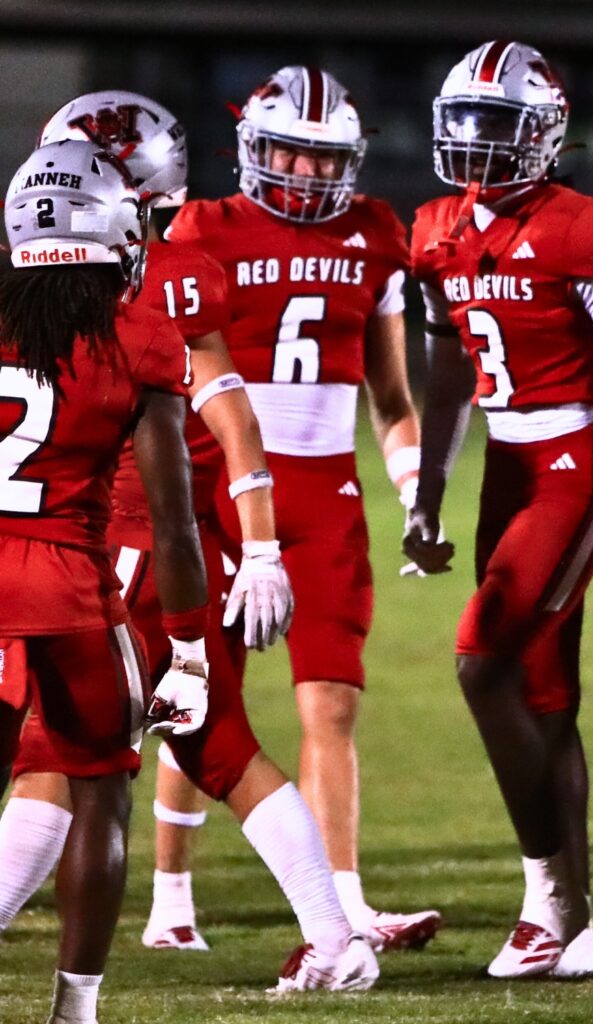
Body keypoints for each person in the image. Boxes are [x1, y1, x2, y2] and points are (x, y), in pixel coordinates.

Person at [0, 93, 379, 994]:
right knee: (75, 758)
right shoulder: (155, 287)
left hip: (111, 555)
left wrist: (258, 547)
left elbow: (227, 413)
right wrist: (252, 543)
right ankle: (329, 936)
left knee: (156, 748)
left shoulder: (151, 293)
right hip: (107, 551)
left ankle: (333, 936)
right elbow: (227, 420)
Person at [404, 40, 593, 978]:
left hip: (578, 460)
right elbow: (449, 373)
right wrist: (430, 489)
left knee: (481, 661)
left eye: (498, 124)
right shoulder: (436, 227)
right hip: (507, 465)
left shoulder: (579, 224)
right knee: (546, 699)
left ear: (546, 134)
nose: (475, 142)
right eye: (464, 122)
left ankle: (548, 904)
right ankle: (576, 926)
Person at [165, 64, 441, 950]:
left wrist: (415, 494)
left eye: (327, 160)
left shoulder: (376, 232)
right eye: (292, 152)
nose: (310, 175)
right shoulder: (202, 225)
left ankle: (347, 906)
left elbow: (392, 400)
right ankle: (172, 902)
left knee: (331, 703)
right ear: (253, 147)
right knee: (203, 690)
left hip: (326, 493)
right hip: (216, 481)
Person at [0, 138, 208, 1024]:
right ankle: (74, 1010)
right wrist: (191, 648)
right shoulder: (139, 334)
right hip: (71, 589)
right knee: (100, 785)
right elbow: (172, 519)